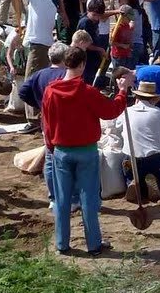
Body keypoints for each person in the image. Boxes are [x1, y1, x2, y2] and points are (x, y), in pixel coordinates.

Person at [42, 52, 134, 256]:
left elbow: (47, 123)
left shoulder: (50, 91)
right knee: (88, 199)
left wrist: (51, 147)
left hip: (61, 151)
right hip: (86, 151)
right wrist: (122, 91)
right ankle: (93, 244)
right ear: (82, 65)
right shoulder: (87, 92)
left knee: (62, 199)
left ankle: (62, 244)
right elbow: (110, 111)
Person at [122, 79, 160, 199]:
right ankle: (156, 180)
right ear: (153, 98)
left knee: (129, 172)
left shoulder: (126, 111)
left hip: (131, 156)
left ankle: (132, 182)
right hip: (153, 157)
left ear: (136, 96)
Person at [22, 0, 58, 84]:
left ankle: (30, 101)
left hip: (38, 45)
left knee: (31, 80)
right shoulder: (50, 3)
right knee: (40, 80)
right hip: (45, 44)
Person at [75, 0, 110, 83]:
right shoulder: (85, 22)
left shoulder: (94, 21)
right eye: (94, 15)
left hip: (93, 57)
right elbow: (85, 43)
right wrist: (100, 50)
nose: (96, 18)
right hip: (86, 58)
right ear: (88, 11)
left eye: (98, 16)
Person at [110, 6, 137, 72]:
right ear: (123, 17)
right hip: (118, 55)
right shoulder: (117, 28)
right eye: (128, 19)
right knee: (118, 73)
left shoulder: (127, 26)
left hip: (126, 54)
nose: (130, 20)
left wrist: (130, 44)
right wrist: (122, 45)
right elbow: (111, 42)